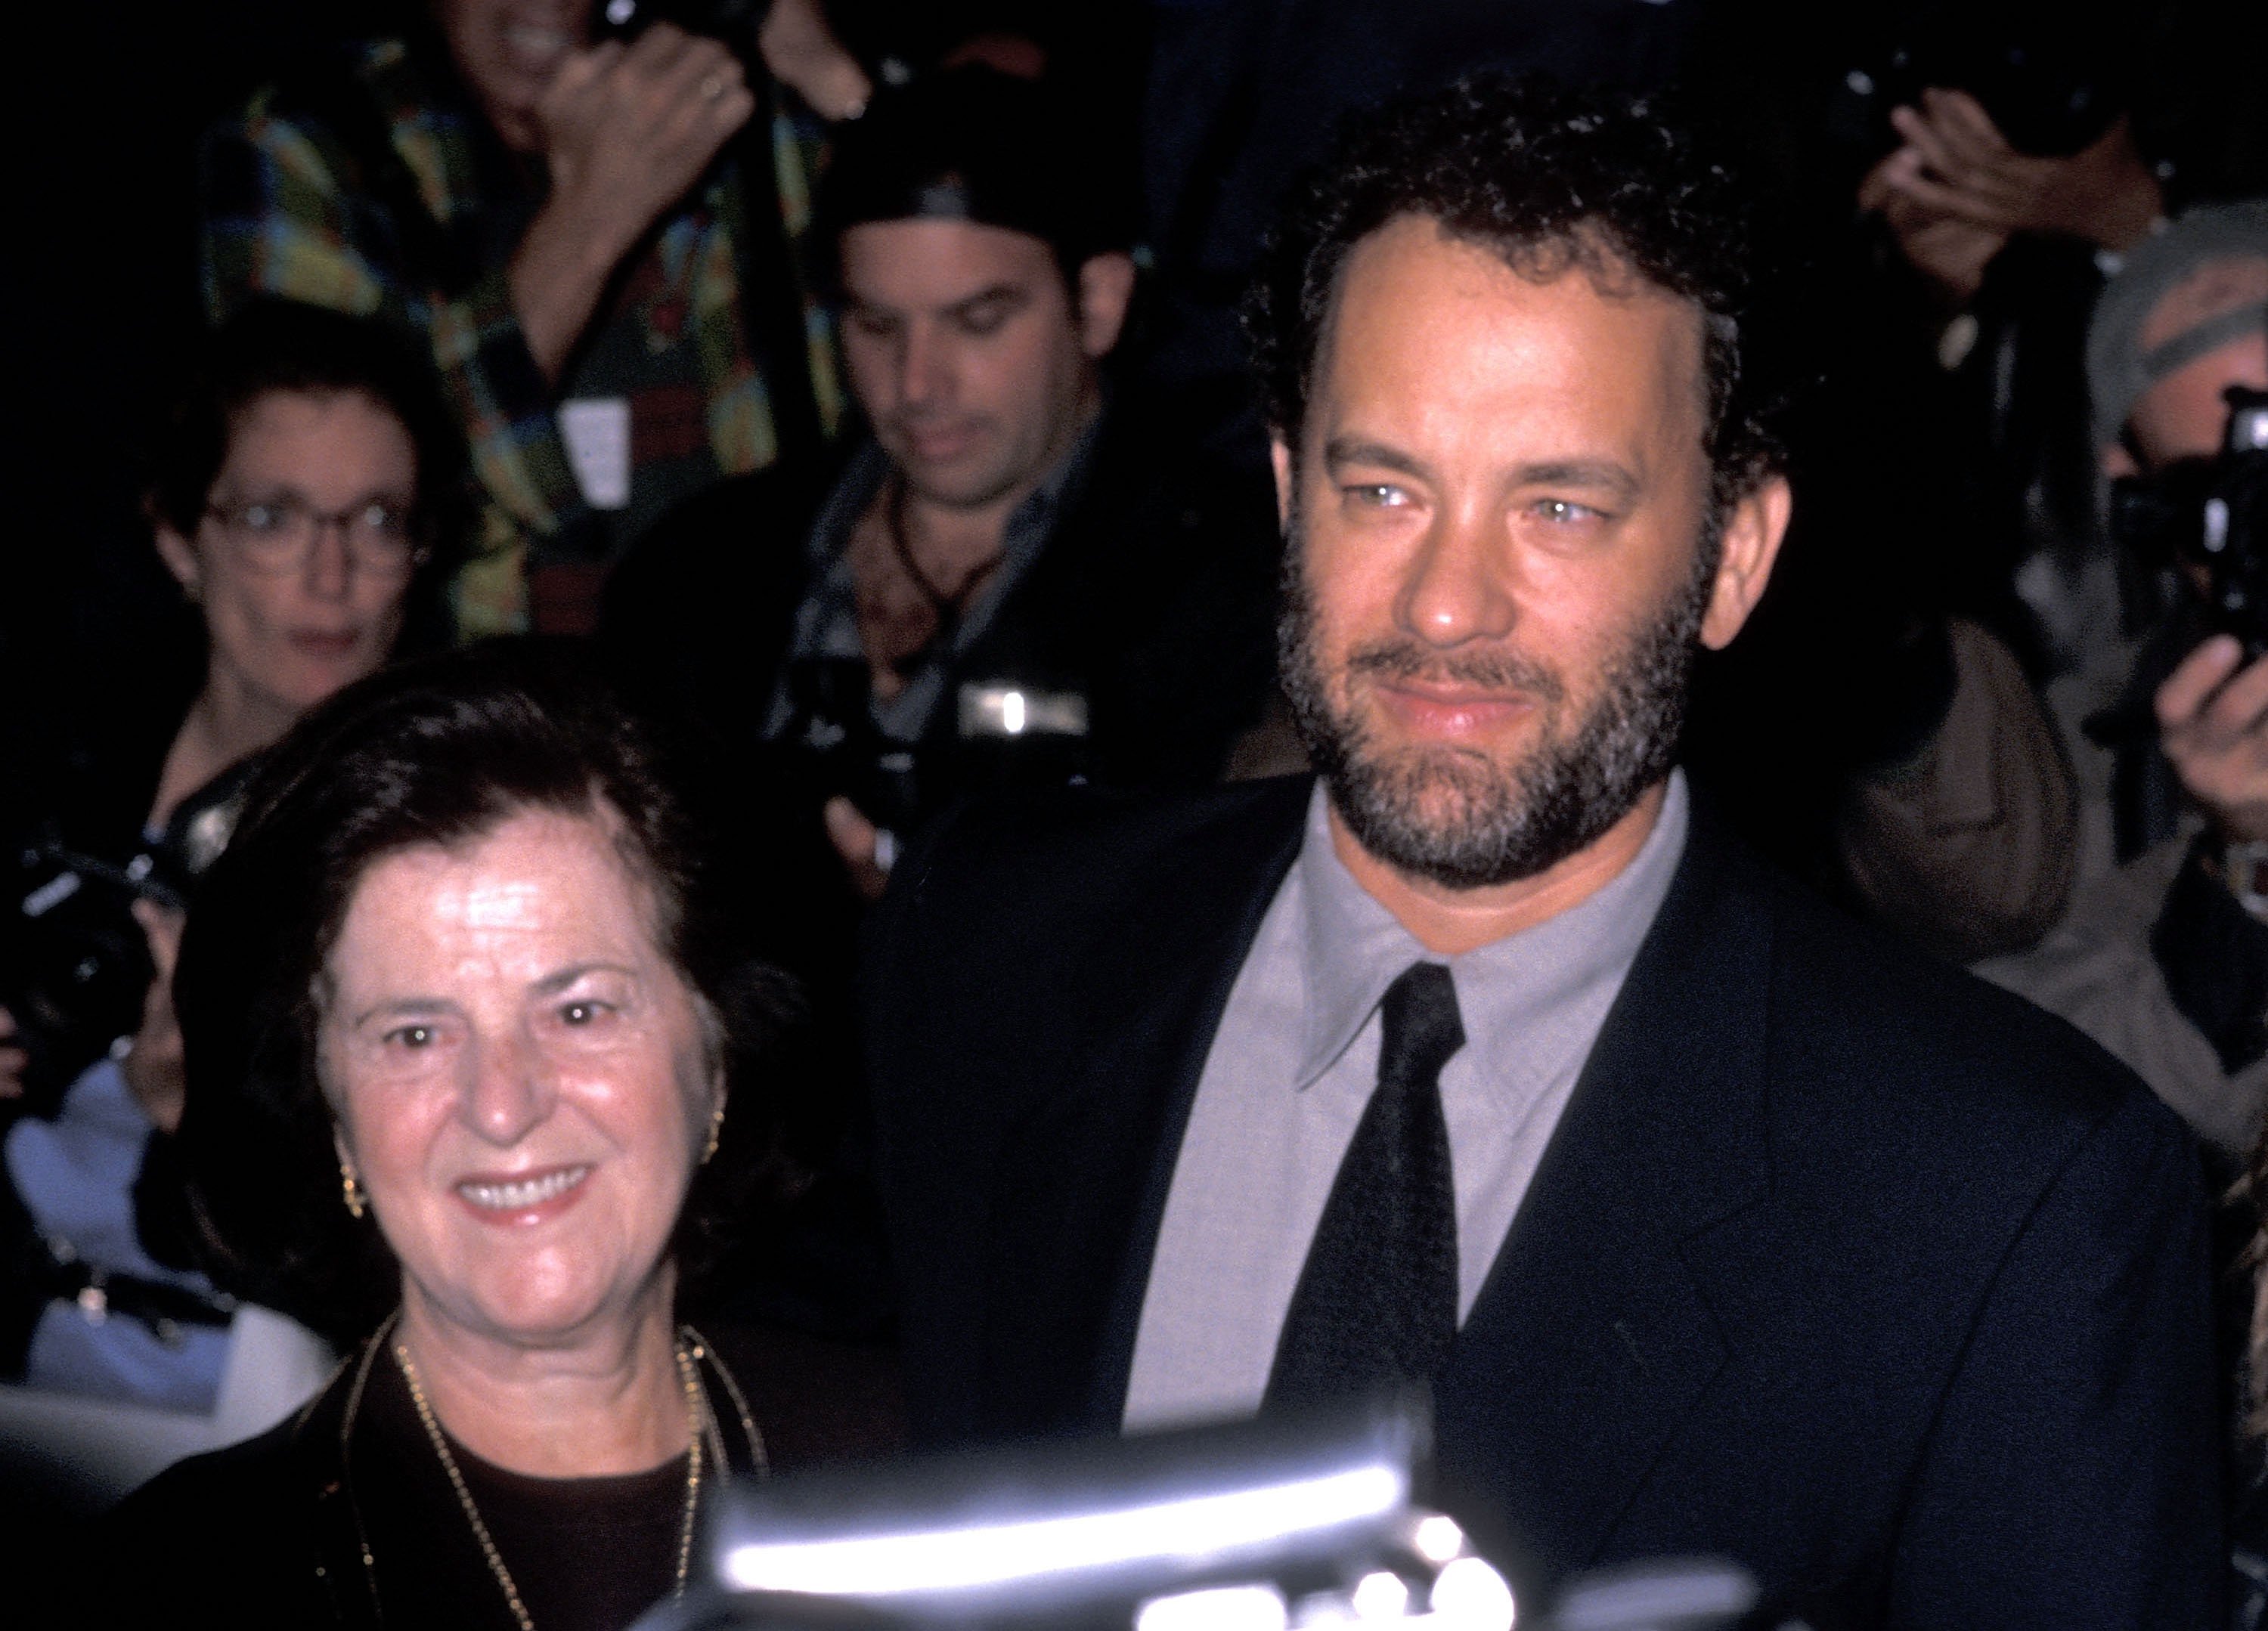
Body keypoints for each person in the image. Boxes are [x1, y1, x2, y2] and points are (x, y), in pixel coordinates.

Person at [863, 76, 2222, 1624]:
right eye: (1385, 488)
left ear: (1732, 558)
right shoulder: (994, 944)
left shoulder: (2001, 1198)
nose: (1449, 604)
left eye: (1560, 507)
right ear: (1288, 492)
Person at [76, 643, 794, 1627]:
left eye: (579, 1011)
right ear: (331, 1107)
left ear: (718, 1056)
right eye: (415, 1034)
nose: (502, 1106)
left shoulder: (930, 1473)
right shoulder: (180, 1581)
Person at [604, 66, 1281, 912]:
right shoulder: (699, 569)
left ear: (1097, 304)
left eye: (978, 321)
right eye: (877, 326)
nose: (917, 383)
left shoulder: (1226, 591)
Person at [0, 299, 461, 1420]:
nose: (333, 573)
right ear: (177, 538)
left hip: (262, 1420)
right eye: (273, 517)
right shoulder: (59, 772)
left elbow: (426, 1260)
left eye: (377, 519)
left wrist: (197, 1125)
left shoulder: (442, 833)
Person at [200, 0, 871, 636]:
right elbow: (337, 523)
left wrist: (835, 79)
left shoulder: (729, 103)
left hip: (734, 711)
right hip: (464, 719)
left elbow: (948, 353)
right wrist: (592, 215)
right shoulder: (311, 146)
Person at [1978, 201, 2268, 1164]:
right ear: (2136, 490)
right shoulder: (2088, 755)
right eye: (2225, 493)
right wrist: (2245, 875)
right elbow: (2028, 1104)